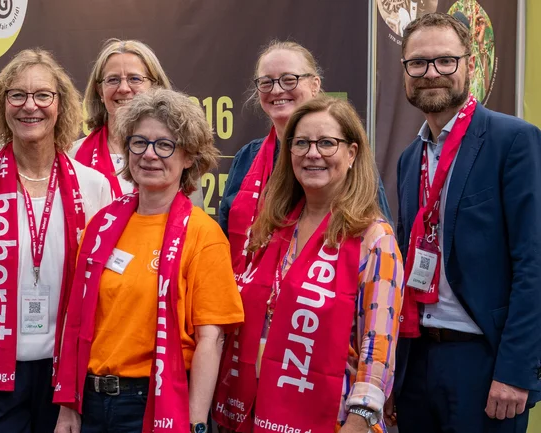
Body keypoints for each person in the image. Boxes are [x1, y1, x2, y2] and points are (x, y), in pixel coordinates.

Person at [0, 49, 111, 433]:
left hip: (64, 375)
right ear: (2, 105)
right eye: (17, 95)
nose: (30, 106)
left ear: (60, 104)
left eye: (43, 95)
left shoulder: (94, 186)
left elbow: (103, 291)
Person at [54, 89, 245, 433]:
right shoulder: (102, 224)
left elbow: (211, 339)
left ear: (189, 157)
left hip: (153, 401)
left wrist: (196, 422)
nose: (150, 155)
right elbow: (76, 320)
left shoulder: (204, 234)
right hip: (90, 401)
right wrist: (69, 407)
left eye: (165, 145)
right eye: (139, 143)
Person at [213, 96, 404, 433]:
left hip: (336, 421)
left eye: (327, 143)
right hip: (259, 415)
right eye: (301, 143)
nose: (312, 153)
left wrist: (358, 423)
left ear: (352, 153)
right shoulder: (270, 228)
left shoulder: (375, 239)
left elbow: (377, 350)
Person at [394, 12, 541, 432]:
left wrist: (516, 371)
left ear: (470, 66)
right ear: (405, 71)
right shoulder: (410, 160)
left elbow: (533, 263)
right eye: (417, 63)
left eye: (445, 61)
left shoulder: (512, 140)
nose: (430, 73)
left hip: (484, 363)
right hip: (417, 360)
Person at [219, 40, 393, 283]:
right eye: (266, 82)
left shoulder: (339, 158)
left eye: (289, 79)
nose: (277, 90)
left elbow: (377, 243)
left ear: (315, 85)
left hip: (320, 303)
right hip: (244, 304)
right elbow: (224, 239)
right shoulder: (246, 158)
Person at [70, 38, 204, 206]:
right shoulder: (72, 156)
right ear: (100, 92)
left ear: (155, 87)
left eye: (134, 79)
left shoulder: (177, 152)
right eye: (113, 80)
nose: (124, 88)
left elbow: (191, 219)